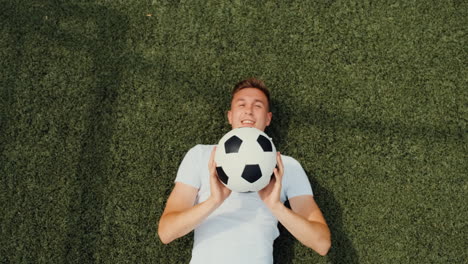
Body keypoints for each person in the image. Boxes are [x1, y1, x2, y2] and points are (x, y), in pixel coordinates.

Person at [158, 78, 331, 263]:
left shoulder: (286, 166)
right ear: (230, 116)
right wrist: (215, 200)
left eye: (258, 106)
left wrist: (275, 206)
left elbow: (321, 244)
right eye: (242, 104)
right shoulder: (200, 155)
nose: (248, 110)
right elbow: (166, 232)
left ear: (268, 118)